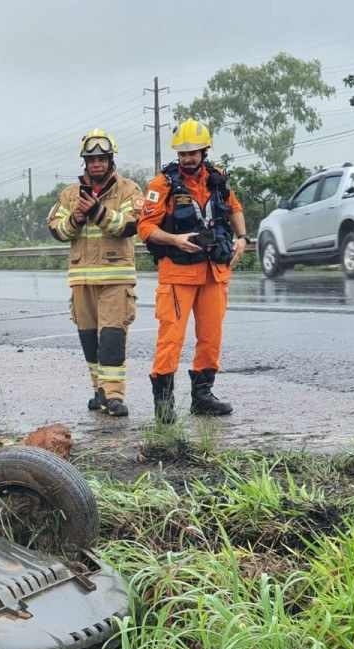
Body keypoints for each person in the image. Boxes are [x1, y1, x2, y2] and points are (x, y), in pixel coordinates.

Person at [138, 119, 248, 423]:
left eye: (193, 152)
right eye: (183, 153)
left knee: (211, 338)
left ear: (204, 150)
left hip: (214, 271)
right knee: (170, 339)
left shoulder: (217, 179)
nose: (188, 158)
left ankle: (202, 397)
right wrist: (174, 239)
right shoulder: (162, 185)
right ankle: (164, 405)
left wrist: (242, 238)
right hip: (178, 274)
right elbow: (145, 227)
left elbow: (234, 208)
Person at [46, 130, 144, 417]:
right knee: (89, 339)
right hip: (81, 279)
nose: (97, 164)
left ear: (111, 160)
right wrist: (76, 217)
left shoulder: (128, 190)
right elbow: (56, 229)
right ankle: (99, 391)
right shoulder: (69, 194)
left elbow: (130, 225)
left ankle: (114, 395)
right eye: (92, 159)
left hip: (116, 278)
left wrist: (98, 212)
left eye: (102, 158)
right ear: (84, 163)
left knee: (112, 338)